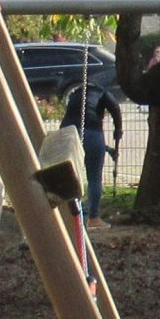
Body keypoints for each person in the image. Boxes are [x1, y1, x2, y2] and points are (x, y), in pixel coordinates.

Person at [61, 78, 123, 228]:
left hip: (67, 134)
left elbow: (80, 136)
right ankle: (93, 218)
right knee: (94, 177)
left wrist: (107, 149)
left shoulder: (76, 94)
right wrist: (118, 130)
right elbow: (115, 108)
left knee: (69, 176)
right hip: (92, 132)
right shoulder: (102, 92)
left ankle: (68, 215)